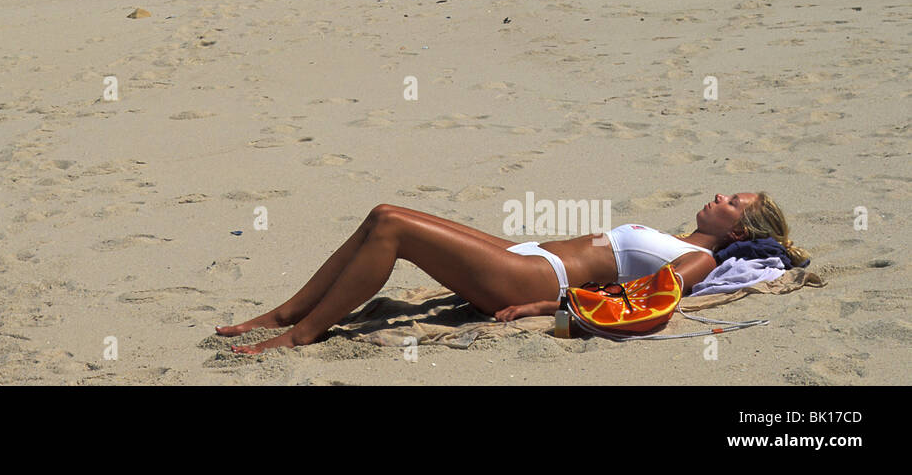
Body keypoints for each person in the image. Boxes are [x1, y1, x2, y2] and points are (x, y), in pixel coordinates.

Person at [216, 192, 807, 353]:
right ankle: (288, 312)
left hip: (535, 280)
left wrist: (552, 309)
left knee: (393, 224)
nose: (718, 195)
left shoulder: (699, 256)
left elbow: (646, 297)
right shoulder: (683, 238)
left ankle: (302, 332)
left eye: (732, 200)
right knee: (381, 216)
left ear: (738, 230)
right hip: (526, 256)